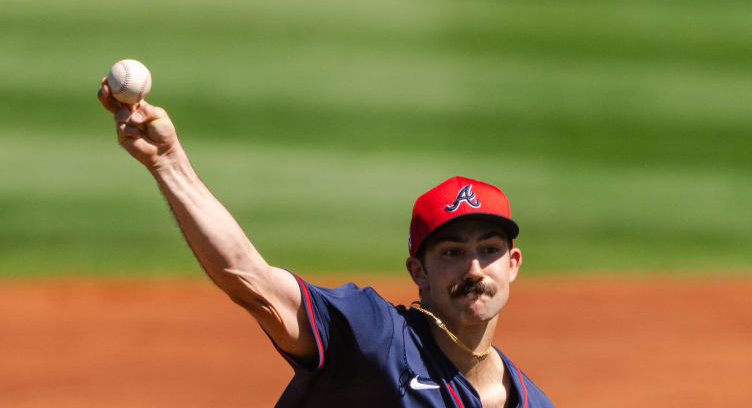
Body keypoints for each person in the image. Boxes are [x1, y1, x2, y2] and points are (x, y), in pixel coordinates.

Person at [97, 78, 556, 408]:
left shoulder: (530, 400)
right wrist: (169, 163)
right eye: (452, 253)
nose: (474, 269)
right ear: (419, 272)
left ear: (513, 263)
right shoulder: (374, 339)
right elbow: (252, 281)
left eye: (489, 250)